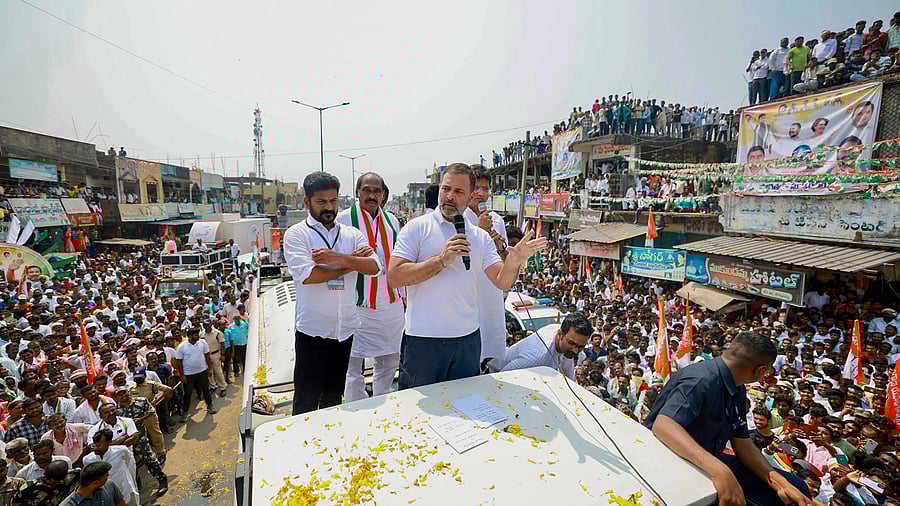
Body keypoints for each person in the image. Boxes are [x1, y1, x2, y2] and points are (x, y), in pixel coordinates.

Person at [387, 163, 546, 389]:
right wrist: (440, 261)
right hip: (423, 340)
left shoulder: (480, 237)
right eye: (446, 189)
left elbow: (501, 281)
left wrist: (514, 262)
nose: (450, 196)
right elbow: (394, 277)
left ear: (471, 196)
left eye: (458, 192)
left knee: (465, 406)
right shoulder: (416, 228)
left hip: (467, 341)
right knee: (419, 411)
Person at [645, 332, 812, 506]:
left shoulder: (737, 388)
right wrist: (719, 470)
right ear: (760, 370)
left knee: (795, 487)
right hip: (669, 460)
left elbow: (743, 443)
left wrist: (779, 483)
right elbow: (664, 425)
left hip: (706, 459)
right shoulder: (701, 381)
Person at [283, 172, 381, 415]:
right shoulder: (297, 235)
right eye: (321, 202)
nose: (329, 208)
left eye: (333, 201)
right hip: (312, 332)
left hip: (344, 330)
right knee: (306, 400)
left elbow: (375, 267)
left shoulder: (350, 234)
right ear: (307, 203)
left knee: (334, 397)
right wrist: (352, 262)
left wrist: (336, 259)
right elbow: (309, 275)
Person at [335, 172, 404, 402]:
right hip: (358, 301)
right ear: (358, 192)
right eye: (367, 190)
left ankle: (382, 398)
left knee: (390, 357)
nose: (372, 195)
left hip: (390, 301)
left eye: (377, 191)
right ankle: (356, 403)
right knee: (352, 362)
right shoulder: (342, 220)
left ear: (383, 195)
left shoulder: (392, 221)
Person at [464, 166, 509, 371]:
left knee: (493, 353)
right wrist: (481, 232)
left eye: (485, 188)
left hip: (492, 295)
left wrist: (500, 247)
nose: (481, 193)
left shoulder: (497, 220)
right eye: (477, 188)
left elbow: (505, 261)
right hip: (469, 296)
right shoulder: (458, 219)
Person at [498, 312, 592, 380]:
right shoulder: (537, 357)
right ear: (560, 334)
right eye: (571, 343)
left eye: (580, 347)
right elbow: (501, 376)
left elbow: (567, 368)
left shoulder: (567, 342)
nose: (575, 351)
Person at [174, 327, 216, 422]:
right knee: (187, 393)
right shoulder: (182, 346)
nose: (197, 336)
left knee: (206, 390)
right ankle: (185, 412)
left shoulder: (202, 343)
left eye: (197, 334)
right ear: (189, 336)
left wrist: (210, 369)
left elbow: (207, 356)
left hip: (202, 371)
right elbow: (179, 362)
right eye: (195, 335)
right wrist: (182, 375)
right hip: (189, 374)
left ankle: (210, 405)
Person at [12, 459, 79, 506]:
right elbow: (15, 502)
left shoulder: (74, 475)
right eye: (51, 482)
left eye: (58, 482)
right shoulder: (28, 488)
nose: (54, 485)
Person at [60, 461, 127, 506]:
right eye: (106, 475)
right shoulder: (68, 504)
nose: (108, 476)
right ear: (96, 482)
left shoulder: (109, 486)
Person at [201, 318, 227, 397]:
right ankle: (213, 386)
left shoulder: (217, 333)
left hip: (215, 354)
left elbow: (222, 344)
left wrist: (222, 354)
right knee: (209, 372)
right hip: (206, 355)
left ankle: (222, 387)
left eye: (208, 325)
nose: (207, 326)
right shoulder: (201, 334)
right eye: (205, 325)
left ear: (211, 325)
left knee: (218, 371)